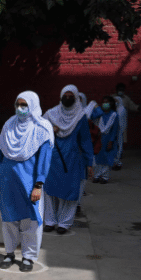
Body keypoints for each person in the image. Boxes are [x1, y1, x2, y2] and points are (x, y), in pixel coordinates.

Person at [0, 91, 53, 272]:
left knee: (31, 221)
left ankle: (28, 257)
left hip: (29, 183)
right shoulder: (9, 125)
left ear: (32, 105)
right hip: (7, 181)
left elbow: (44, 160)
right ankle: (9, 253)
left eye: (24, 105)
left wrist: (39, 185)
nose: (20, 109)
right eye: (18, 104)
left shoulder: (42, 129)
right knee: (8, 219)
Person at [43, 85, 95, 234]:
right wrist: (49, 129)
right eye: (65, 95)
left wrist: (89, 163)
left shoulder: (80, 116)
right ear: (60, 96)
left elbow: (85, 140)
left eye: (71, 96)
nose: (67, 98)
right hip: (53, 158)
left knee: (70, 192)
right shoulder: (50, 115)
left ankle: (64, 223)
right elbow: (38, 132)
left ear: (77, 98)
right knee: (50, 191)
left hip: (73, 159)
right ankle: (50, 221)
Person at [90, 96, 120, 184]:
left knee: (107, 158)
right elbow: (91, 117)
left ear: (111, 103)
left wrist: (111, 141)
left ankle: (105, 176)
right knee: (98, 158)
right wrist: (96, 108)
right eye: (103, 102)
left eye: (107, 102)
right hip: (99, 138)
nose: (105, 104)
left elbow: (114, 130)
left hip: (108, 139)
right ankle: (96, 175)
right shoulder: (100, 113)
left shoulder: (114, 115)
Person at [112, 82, 140, 170]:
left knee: (120, 142)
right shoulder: (112, 97)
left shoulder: (126, 99)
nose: (121, 91)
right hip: (112, 125)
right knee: (112, 142)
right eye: (119, 89)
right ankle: (115, 159)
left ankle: (118, 159)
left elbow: (134, 107)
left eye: (122, 90)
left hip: (121, 125)